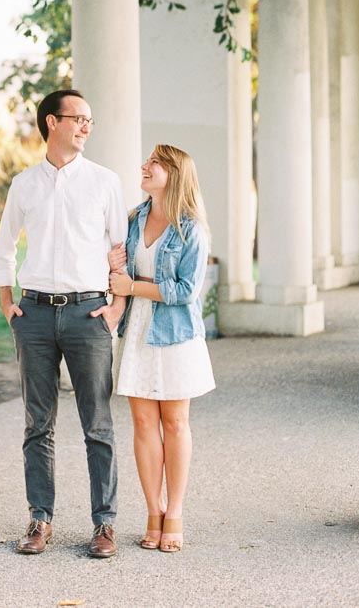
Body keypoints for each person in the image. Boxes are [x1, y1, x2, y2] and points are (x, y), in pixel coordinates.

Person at [0, 89, 128, 558]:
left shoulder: (105, 182)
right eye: (79, 119)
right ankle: (39, 518)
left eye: (90, 120)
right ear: (52, 122)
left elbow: (120, 253)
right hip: (33, 315)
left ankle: (104, 524)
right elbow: (4, 247)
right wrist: (8, 302)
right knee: (37, 424)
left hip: (88, 314)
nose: (87, 127)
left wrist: (115, 309)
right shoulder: (24, 184)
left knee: (98, 425)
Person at [108, 144, 215, 554]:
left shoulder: (191, 229)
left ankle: (176, 512)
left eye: (153, 163)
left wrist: (132, 286)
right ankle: (153, 511)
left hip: (176, 336)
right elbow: (121, 271)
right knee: (142, 424)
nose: (144, 167)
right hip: (137, 331)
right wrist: (115, 266)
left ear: (174, 173)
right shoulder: (134, 219)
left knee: (174, 424)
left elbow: (186, 291)